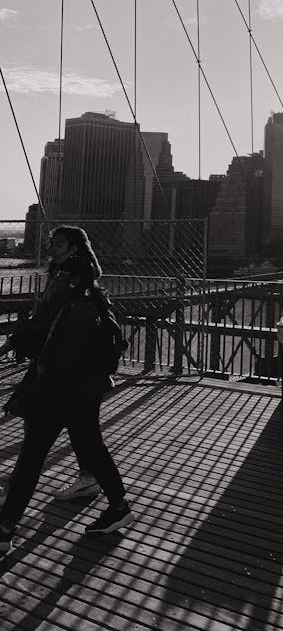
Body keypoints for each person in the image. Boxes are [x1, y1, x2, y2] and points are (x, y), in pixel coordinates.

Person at [0, 225, 133, 556]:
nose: (52, 249)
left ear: (76, 249)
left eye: (58, 244)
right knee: (90, 446)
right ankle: (118, 507)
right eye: (51, 244)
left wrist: (33, 392)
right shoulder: (76, 285)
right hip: (82, 385)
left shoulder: (76, 295)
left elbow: (57, 342)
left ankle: (4, 528)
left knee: (31, 457)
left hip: (63, 385)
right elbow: (44, 325)